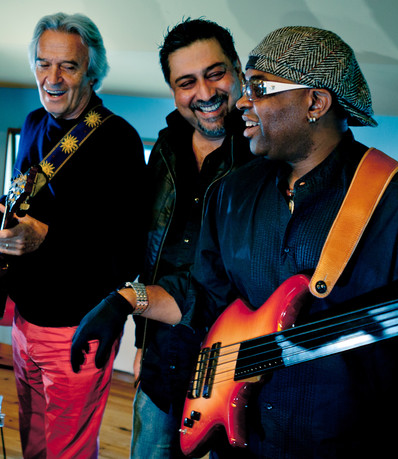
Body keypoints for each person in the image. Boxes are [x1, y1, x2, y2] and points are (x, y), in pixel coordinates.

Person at [180, 27, 398, 458]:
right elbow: (209, 301)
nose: (241, 101)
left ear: (315, 102)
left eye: (258, 87)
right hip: (244, 445)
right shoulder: (230, 193)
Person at [0, 12, 144, 458]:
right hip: (25, 318)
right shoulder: (35, 121)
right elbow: (20, 195)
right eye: (43, 63)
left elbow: (127, 247)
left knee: (68, 449)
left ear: (91, 72)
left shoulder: (118, 139)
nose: (52, 78)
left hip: (77, 325)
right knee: (33, 438)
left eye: (68, 66)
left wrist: (46, 239)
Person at [69, 18, 251, 459]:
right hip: (163, 356)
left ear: (238, 70)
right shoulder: (167, 146)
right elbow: (152, 254)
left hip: (237, 363)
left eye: (215, 73)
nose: (205, 93)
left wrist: (126, 302)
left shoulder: (263, 153)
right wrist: (142, 342)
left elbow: (226, 277)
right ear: (173, 89)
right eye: (186, 82)